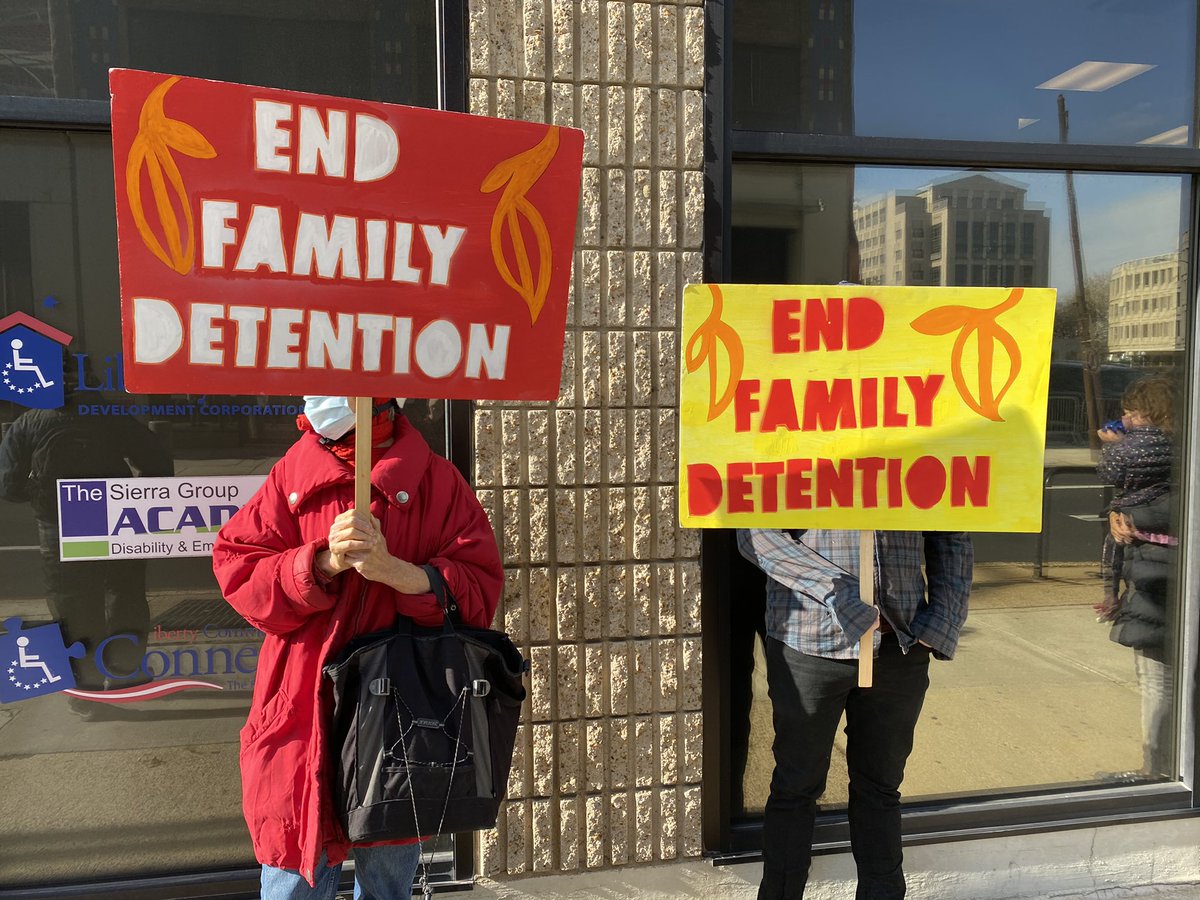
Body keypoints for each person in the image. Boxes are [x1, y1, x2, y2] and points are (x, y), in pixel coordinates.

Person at [211, 396, 503, 899]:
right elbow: (238, 572)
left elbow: (479, 590)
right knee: (292, 878)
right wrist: (319, 564)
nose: (316, 395)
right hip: (303, 714)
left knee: (389, 880)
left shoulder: (438, 482)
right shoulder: (292, 474)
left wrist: (401, 575)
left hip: (402, 719)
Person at [738, 528, 972, 900]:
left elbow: (952, 532)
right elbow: (756, 534)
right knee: (795, 788)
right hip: (809, 641)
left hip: (902, 644)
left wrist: (942, 618)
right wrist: (837, 590)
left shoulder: (915, 464)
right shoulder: (788, 464)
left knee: (880, 788)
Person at [0, 371, 173, 699]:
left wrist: (42, 495)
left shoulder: (28, 423)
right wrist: (131, 495)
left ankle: (84, 687)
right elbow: (157, 463)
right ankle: (126, 674)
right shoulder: (111, 417)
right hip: (114, 515)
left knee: (71, 604)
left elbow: (8, 486)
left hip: (58, 523)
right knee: (125, 595)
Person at [1107, 490, 1175, 779]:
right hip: (1152, 582)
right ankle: (1159, 765)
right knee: (1158, 683)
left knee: (1159, 684)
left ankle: (1157, 768)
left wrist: (1126, 513)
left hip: (1161, 584)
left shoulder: (1170, 468)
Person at [1094, 376, 1174, 622]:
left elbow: (1112, 472)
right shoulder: (1174, 441)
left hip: (1136, 510)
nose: (1125, 419)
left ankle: (1111, 594)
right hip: (1150, 512)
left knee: (1113, 552)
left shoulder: (1132, 444)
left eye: (1130, 413)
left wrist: (1111, 447)